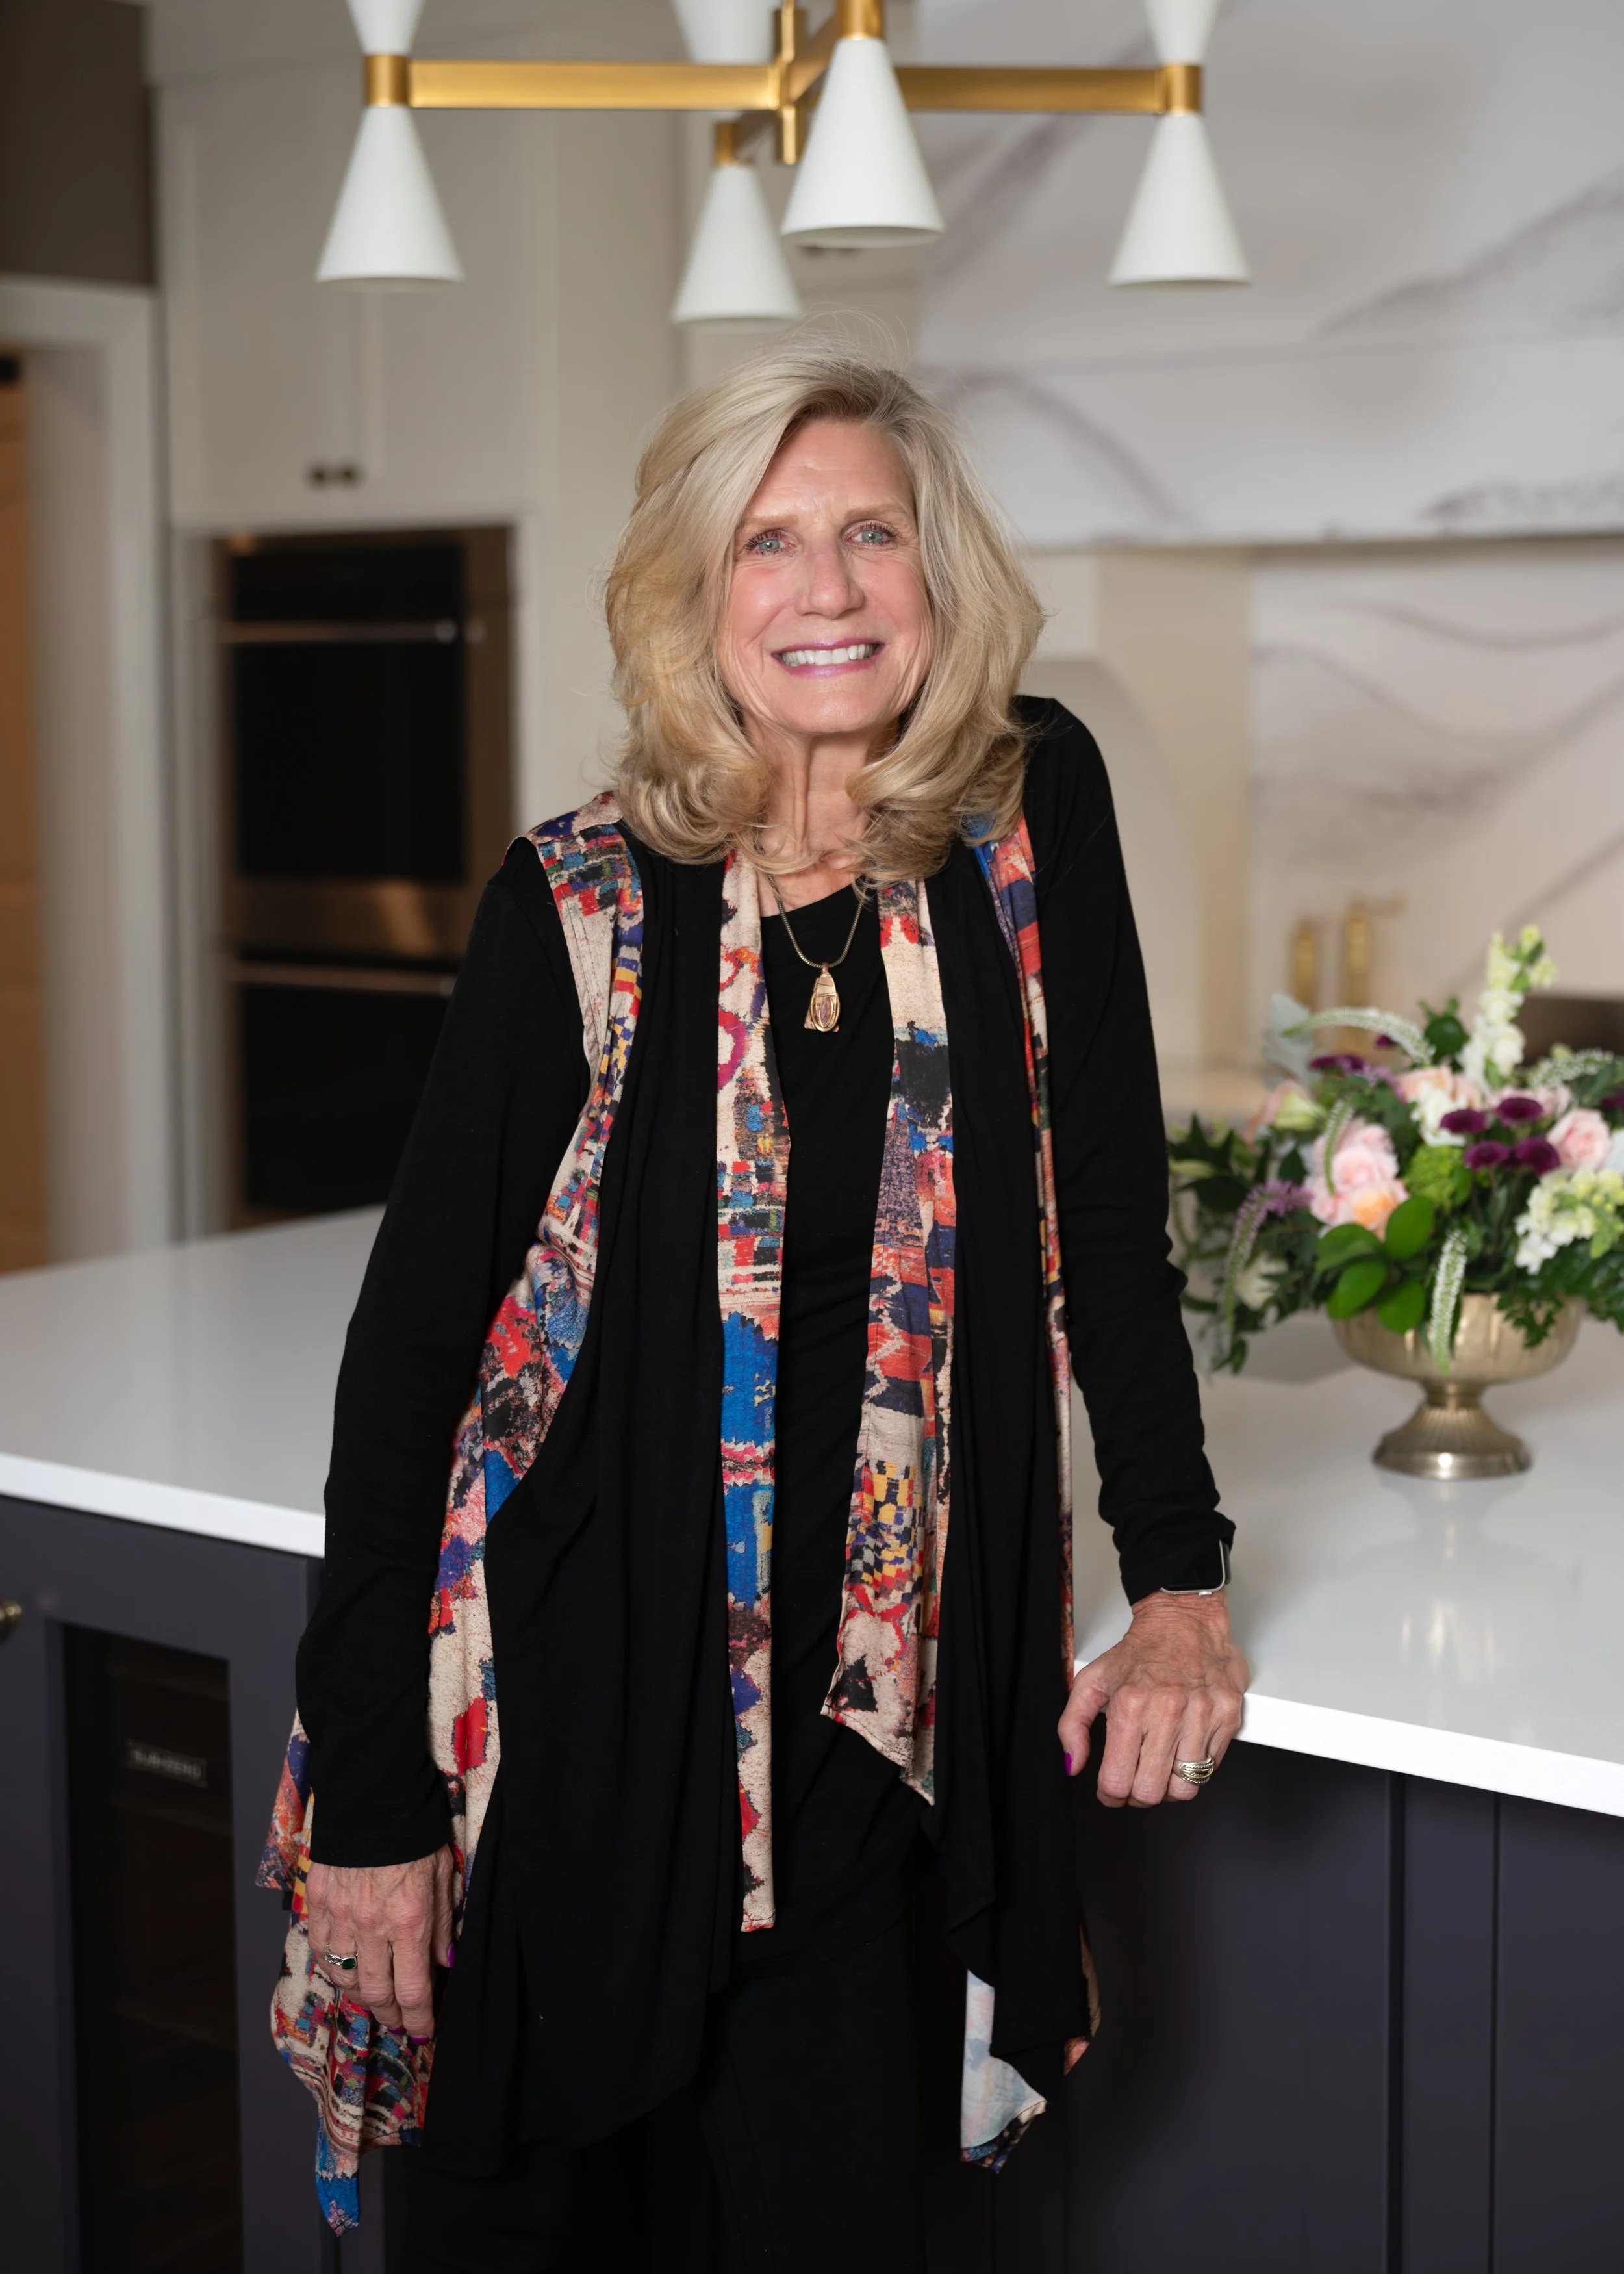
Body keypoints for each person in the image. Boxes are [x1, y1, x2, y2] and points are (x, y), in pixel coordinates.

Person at [285, 341, 1246, 2272]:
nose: (826, 591)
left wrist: (1180, 1582)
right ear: (689, 596)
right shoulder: (570, 902)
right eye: (768, 542)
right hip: (563, 1730)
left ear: (937, 572)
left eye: (869, 533)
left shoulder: (1022, 819)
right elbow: (410, 1370)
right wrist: (375, 1803)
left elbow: (1108, 1227)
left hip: (849, 1756)